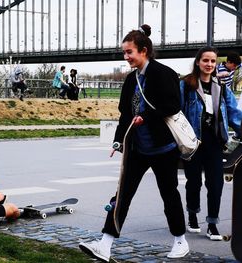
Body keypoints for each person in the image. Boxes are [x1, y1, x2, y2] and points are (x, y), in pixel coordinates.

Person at [79, 24, 189, 261]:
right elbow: (124, 114)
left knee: (168, 194)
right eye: (124, 53)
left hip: (163, 149)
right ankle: (105, 244)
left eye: (129, 52)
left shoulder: (164, 73)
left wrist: (146, 116)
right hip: (137, 148)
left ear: (144, 50)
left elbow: (172, 106)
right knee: (122, 195)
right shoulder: (131, 80)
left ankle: (180, 240)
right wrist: (118, 140)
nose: (126, 57)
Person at [180, 46, 242, 240]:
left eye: (213, 61)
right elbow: (177, 114)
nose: (209, 64)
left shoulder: (221, 88)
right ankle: (192, 214)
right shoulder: (186, 85)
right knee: (194, 182)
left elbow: (233, 113)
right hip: (193, 143)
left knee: (215, 184)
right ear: (198, 62)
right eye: (205, 60)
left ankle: (212, 224)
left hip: (214, 143)